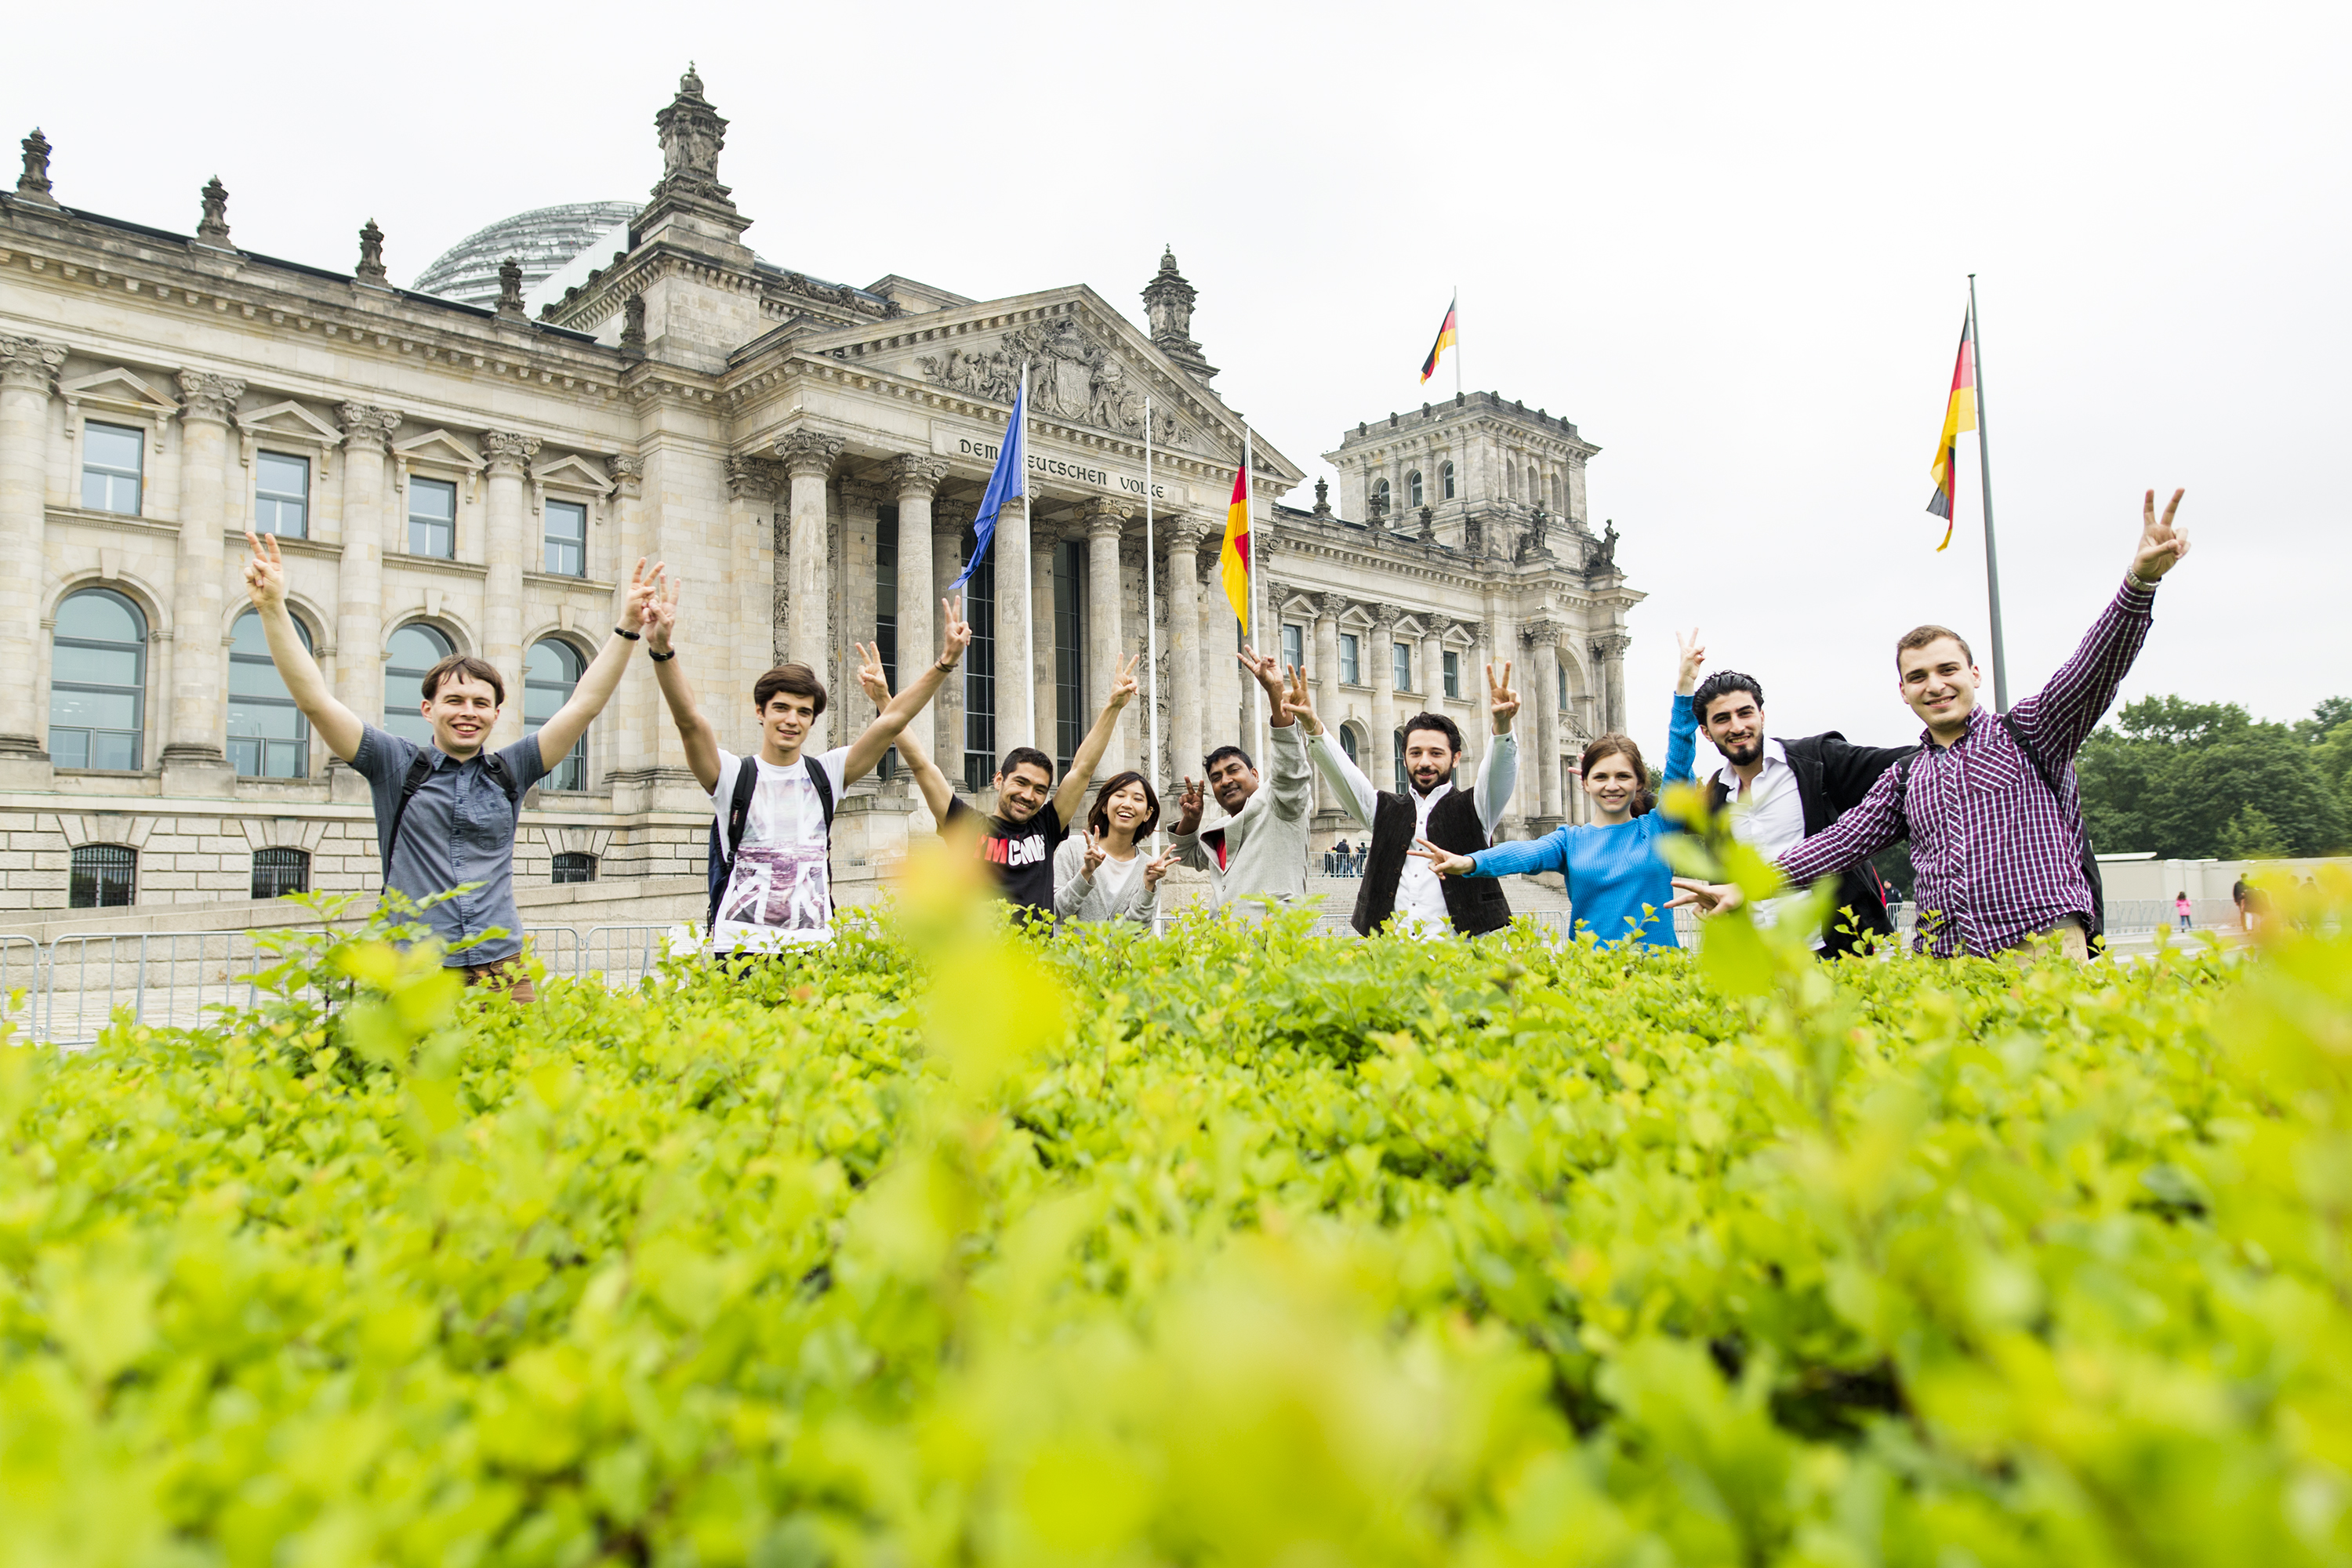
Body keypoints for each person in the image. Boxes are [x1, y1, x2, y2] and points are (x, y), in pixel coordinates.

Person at [1674, 488, 2192, 960]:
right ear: (1903, 692)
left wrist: (2140, 583)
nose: (1935, 685)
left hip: (2041, 945)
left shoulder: (2031, 733)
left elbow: (2093, 668)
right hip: (1946, 961)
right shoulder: (1905, 778)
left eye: (1947, 670)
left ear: (1974, 674)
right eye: (1917, 676)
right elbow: (1837, 843)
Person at [239, 531, 661, 1001]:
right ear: (428, 709)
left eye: (481, 703)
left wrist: (627, 628)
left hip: (502, 966)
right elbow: (316, 702)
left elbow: (583, 705)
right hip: (413, 967)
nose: (468, 712)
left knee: (515, 1072)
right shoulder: (394, 764)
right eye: (454, 700)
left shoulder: (512, 770)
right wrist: (273, 608)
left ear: (496, 714)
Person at [643, 577, 969, 954]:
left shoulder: (826, 773)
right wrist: (663, 651)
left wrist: (945, 663)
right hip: (739, 950)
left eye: (803, 712)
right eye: (780, 708)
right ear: (760, 712)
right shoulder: (733, 775)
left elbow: (892, 721)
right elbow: (689, 721)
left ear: (812, 721)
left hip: (813, 948)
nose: (791, 720)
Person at [1413, 635, 1703, 948]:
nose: (1612, 785)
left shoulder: (1658, 829)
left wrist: (1685, 687)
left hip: (1656, 981)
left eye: (1623, 776)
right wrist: (1469, 862)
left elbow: (1679, 763)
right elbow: (1524, 854)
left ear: (1638, 783)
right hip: (1592, 977)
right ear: (1586, 782)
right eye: (1601, 776)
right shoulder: (1570, 841)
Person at [887, 654, 1140, 922]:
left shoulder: (1046, 826)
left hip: (1038, 959)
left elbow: (1082, 769)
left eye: (1040, 790)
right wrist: (884, 700)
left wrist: (1113, 706)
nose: (1028, 796)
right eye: (1021, 782)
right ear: (999, 780)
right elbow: (921, 765)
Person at [1689, 655, 1914, 956]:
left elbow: (1907, 761)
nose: (1737, 726)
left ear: (1762, 716)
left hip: (1837, 951)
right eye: (1722, 719)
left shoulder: (1817, 762)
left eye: (1745, 713)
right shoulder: (1716, 792)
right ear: (1705, 731)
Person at [1293, 659, 1519, 938]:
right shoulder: (1383, 808)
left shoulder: (1479, 806)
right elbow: (1343, 775)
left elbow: (1499, 772)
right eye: (1416, 753)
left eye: (1436, 753)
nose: (1425, 762)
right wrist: (1312, 725)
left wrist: (1503, 726)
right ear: (1404, 758)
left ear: (1456, 758)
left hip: (1462, 961)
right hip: (1394, 963)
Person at [1167, 647, 1316, 913]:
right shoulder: (1221, 828)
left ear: (1255, 775)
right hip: (1224, 947)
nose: (1225, 781)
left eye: (1233, 770)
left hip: (1273, 948)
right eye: (1216, 777)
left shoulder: (1281, 806)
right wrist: (1191, 819)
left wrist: (1274, 694)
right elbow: (1187, 855)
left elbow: (1291, 769)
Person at [1052, 771, 1179, 926]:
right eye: (1120, 795)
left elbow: (1139, 932)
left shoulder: (1150, 868)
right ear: (1105, 806)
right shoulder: (1072, 849)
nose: (1127, 804)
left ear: (1147, 814)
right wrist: (1085, 873)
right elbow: (1055, 913)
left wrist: (1148, 885)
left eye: (1138, 799)